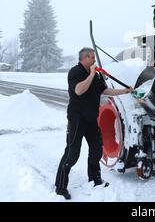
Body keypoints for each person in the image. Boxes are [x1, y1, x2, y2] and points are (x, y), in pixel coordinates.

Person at [55, 47, 133, 200]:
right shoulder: (75, 72)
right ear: (84, 58)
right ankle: (60, 186)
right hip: (77, 119)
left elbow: (104, 90)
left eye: (94, 58)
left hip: (91, 119)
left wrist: (124, 91)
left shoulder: (97, 75)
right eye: (91, 58)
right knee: (72, 153)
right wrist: (91, 74)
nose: (94, 60)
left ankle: (95, 179)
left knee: (96, 149)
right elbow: (78, 90)